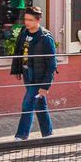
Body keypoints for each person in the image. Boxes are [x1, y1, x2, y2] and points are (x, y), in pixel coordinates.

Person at [9, 8, 56, 140]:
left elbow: (52, 63)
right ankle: (48, 133)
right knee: (40, 104)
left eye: (30, 20)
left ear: (38, 20)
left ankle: (21, 135)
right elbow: (18, 52)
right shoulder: (24, 33)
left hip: (39, 77)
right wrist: (17, 69)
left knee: (28, 103)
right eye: (26, 20)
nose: (27, 23)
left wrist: (45, 85)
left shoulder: (45, 37)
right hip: (27, 74)